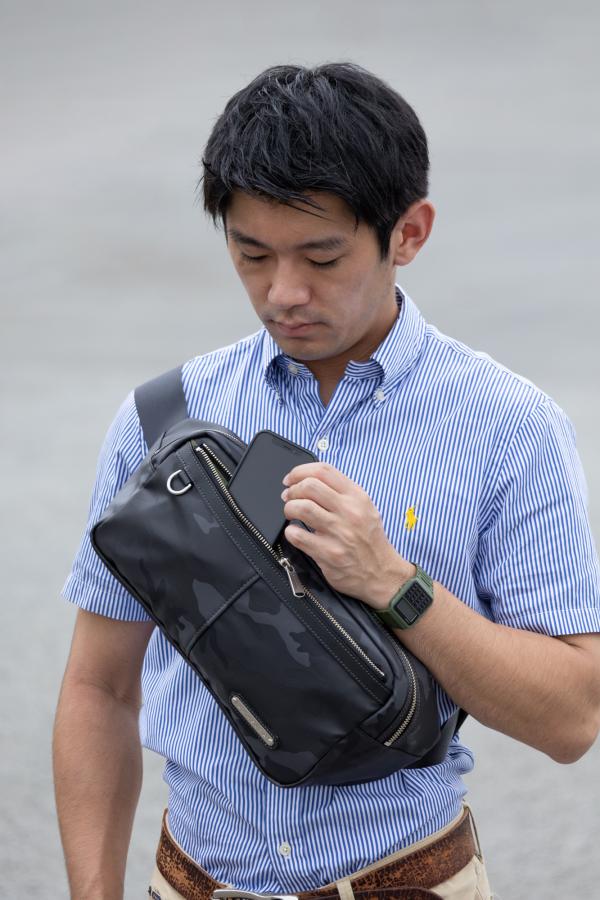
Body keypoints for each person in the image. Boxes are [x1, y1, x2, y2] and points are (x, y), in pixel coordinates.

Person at [53, 63, 600, 900]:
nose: (283, 293)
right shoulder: (164, 419)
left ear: (408, 233)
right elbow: (99, 687)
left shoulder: (509, 428)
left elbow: (572, 720)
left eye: (322, 256)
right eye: (252, 254)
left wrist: (392, 583)